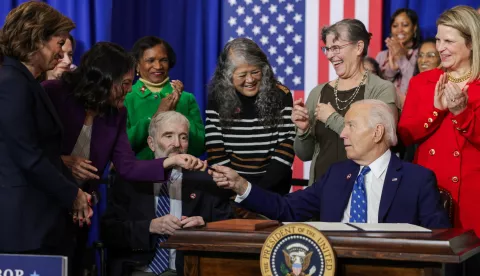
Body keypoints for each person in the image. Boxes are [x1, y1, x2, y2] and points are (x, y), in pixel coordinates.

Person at [42, 42, 206, 275]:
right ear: (105, 80)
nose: (130, 90)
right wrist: (62, 161)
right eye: (126, 83)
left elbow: (127, 167)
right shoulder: (52, 93)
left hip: (78, 214)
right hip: (42, 205)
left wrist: (170, 162)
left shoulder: (116, 113)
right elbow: (26, 148)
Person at [210, 100, 450, 229]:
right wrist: (242, 186)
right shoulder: (337, 174)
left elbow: (439, 241)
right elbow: (287, 208)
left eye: (351, 126)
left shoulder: (417, 180)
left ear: (377, 132)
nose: (342, 134)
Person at [0, 1, 91, 254]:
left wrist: (76, 191)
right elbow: (28, 157)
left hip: (39, 219)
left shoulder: (23, 81)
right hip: (22, 225)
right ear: (37, 38)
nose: (62, 54)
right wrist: (72, 193)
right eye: (59, 43)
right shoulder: (11, 82)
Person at [102, 111, 232, 276]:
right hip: (140, 269)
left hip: (188, 269)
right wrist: (150, 226)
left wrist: (204, 226)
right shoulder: (130, 179)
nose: (177, 143)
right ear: (151, 143)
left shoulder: (206, 181)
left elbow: (228, 225)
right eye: (168, 136)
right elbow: (109, 232)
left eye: (183, 137)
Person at [399, 6, 480, 236]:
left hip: (473, 198)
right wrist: (436, 111)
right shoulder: (422, 82)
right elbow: (405, 135)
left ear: (472, 42)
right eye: (438, 40)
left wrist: (462, 113)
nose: (440, 48)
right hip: (431, 195)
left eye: (449, 41)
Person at [292, 19, 396, 185]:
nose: (329, 55)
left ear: (359, 47)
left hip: (362, 194)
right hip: (321, 193)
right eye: (327, 49)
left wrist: (332, 118)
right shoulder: (318, 93)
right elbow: (304, 155)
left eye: (336, 48)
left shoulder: (381, 89)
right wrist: (303, 130)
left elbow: (382, 141)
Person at [205, 38, 295, 196]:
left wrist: (256, 196)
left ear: (264, 70)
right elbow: (215, 150)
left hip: (272, 191)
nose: (250, 80)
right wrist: (237, 193)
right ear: (227, 76)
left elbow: (286, 147)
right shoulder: (216, 97)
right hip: (229, 192)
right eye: (242, 75)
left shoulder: (282, 95)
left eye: (255, 72)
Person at [126, 36, 204, 158]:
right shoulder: (126, 98)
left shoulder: (186, 98)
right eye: (150, 60)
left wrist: (176, 110)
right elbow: (121, 146)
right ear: (137, 65)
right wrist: (155, 116)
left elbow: (200, 146)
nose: (158, 66)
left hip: (180, 173)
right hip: (137, 174)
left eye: (163, 60)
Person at [376, 8, 421, 109]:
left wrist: (401, 58)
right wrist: (392, 70)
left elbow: (414, 83)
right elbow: (377, 87)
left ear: (414, 28)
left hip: (412, 108)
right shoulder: (382, 56)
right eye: (395, 26)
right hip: (385, 109)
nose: (400, 30)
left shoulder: (421, 54)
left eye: (405, 25)